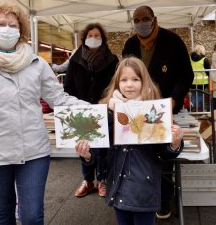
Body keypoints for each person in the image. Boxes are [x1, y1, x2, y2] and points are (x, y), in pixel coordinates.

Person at [0, 3, 87, 225]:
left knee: (32, 216)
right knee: (3, 214)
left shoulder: (36, 64)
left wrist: (93, 109)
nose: (6, 29)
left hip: (33, 151)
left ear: (21, 30)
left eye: (12, 25)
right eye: (1, 24)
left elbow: (59, 99)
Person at [75, 57, 184, 225]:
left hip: (144, 187)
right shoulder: (108, 114)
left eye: (135, 79)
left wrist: (174, 143)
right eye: (124, 80)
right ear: (117, 83)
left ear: (144, 81)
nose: (129, 84)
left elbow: (164, 152)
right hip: (118, 185)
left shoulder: (154, 111)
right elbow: (99, 153)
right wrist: (87, 156)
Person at [122, 5, 193, 219]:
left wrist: (174, 99)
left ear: (154, 19)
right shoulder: (130, 44)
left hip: (165, 108)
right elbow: (125, 73)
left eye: (145, 18)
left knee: (163, 156)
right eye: (137, 20)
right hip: (137, 111)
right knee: (140, 154)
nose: (141, 23)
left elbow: (186, 74)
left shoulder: (173, 41)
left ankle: (163, 199)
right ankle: (139, 196)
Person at [64, 23, 118, 198]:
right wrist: (75, 105)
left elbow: (114, 86)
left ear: (102, 39)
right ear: (84, 38)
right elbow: (68, 86)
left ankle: (102, 179)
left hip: (104, 110)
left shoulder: (112, 60)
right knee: (84, 147)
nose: (93, 38)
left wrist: (108, 102)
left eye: (97, 35)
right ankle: (87, 180)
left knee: (103, 146)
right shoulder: (75, 60)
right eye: (90, 35)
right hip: (82, 110)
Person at [190, 44, 210, 112]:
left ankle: (193, 109)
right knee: (201, 95)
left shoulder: (190, 59)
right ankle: (200, 110)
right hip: (202, 82)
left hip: (192, 82)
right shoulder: (204, 59)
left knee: (193, 95)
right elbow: (208, 72)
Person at [210, 44, 216, 109]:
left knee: (215, 94)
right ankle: (215, 110)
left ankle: (215, 109)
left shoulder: (214, 54)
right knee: (215, 95)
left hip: (214, 76)